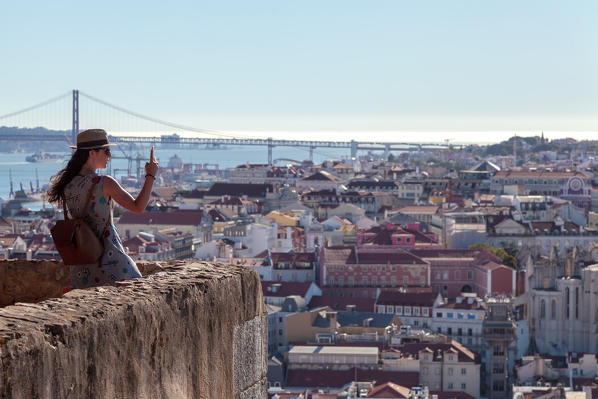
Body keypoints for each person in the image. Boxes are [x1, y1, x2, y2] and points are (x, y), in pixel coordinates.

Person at [47, 129, 159, 289]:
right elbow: (138, 207)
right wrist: (150, 176)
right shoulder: (104, 183)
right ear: (92, 153)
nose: (110, 156)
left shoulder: (66, 184)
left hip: (81, 266)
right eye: (106, 151)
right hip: (110, 261)